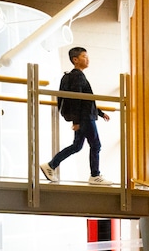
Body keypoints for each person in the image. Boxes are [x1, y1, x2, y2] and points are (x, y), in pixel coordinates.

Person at [40, 47, 110, 185]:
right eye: (84, 56)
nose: (87, 59)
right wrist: (77, 121)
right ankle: (95, 175)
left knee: (77, 146)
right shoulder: (77, 76)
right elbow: (76, 99)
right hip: (85, 118)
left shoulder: (78, 75)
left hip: (85, 116)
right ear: (75, 60)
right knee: (96, 145)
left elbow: (86, 100)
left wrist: (100, 113)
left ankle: (51, 165)